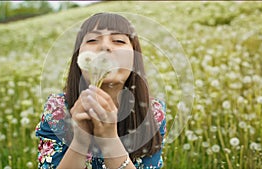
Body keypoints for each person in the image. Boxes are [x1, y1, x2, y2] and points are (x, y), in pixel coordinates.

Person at [35, 13, 166, 169]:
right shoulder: (58, 108)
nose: (105, 47)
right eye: (92, 40)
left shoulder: (152, 112)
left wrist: (109, 139)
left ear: (135, 58)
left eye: (118, 41)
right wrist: (80, 141)